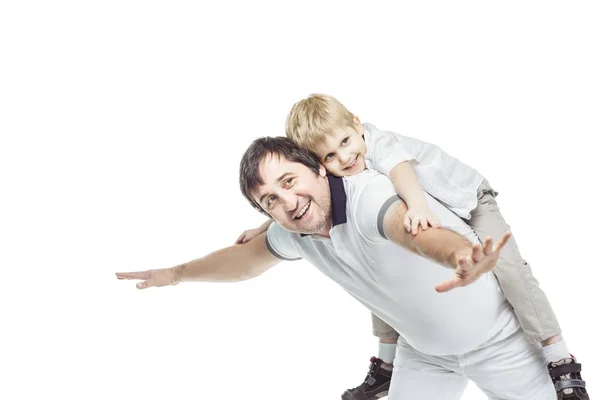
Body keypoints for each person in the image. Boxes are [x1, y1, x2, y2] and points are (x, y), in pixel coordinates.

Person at [117, 136, 558, 399]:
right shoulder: (293, 232)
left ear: (318, 170)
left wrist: (460, 256)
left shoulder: (366, 198)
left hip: (500, 343)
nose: (285, 202)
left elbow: (413, 232)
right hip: (426, 355)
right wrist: (175, 274)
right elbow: (244, 262)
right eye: (269, 199)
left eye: (288, 182)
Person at [236, 94, 588, 400]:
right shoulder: (339, 174)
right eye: (328, 156)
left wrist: (417, 206)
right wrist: (266, 222)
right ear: (317, 165)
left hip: (470, 199)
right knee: (375, 274)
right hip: (427, 330)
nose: (343, 158)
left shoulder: (379, 144)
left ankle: (559, 356)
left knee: (512, 272)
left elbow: (401, 173)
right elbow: (295, 196)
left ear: (357, 124)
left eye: (345, 141)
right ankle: (386, 366)